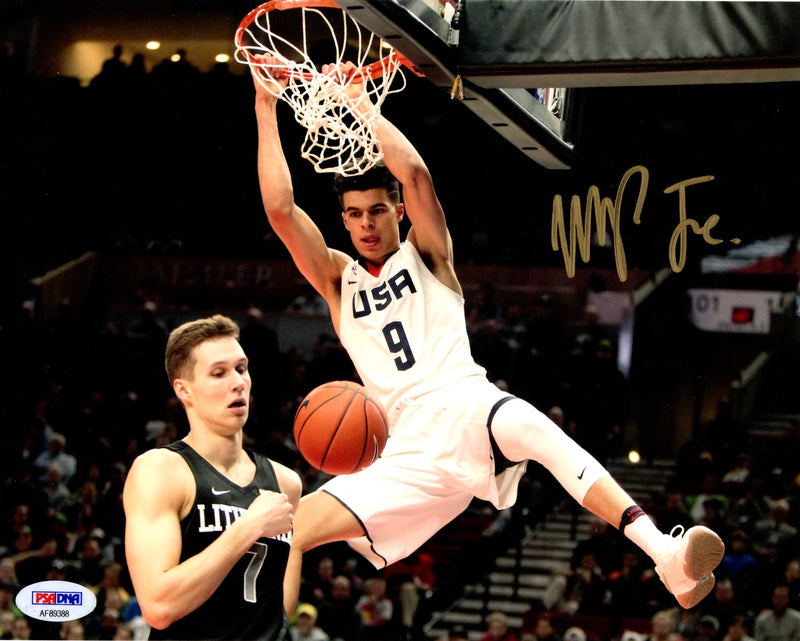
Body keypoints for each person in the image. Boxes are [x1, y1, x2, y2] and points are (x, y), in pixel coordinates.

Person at [251, 56, 724, 616]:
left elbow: (418, 175)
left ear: (398, 212)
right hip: (406, 448)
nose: (366, 224)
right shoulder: (336, 279)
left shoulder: (427, 255)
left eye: (377, 210)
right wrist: (264, 108)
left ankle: (663, 551)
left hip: (465, 403)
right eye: (354, 215)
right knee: (287, 531)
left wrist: (360, 105)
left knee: (531, 426)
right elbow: (281, 211)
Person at [122, 315, 302, 640]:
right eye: (219, 373)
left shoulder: (286, 482)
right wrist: (248, 527)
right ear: (184, 390)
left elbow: (279, 607)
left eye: (242, 368)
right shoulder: (161, 471)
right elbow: (158, 606)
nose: (237, 382)